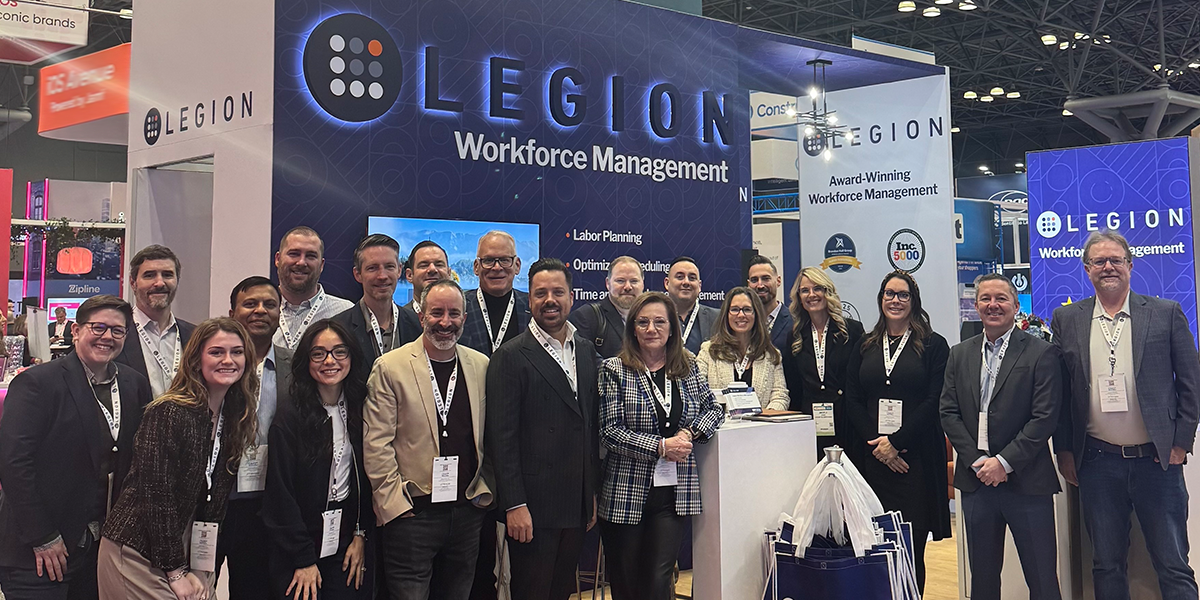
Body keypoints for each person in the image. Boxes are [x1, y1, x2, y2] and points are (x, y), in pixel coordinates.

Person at [1052, 230, 1200, 600]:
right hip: (1098, 462)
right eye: (1099, 261)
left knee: (1173, 564)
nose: (1108, 267)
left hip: (1157, 462)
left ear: (1130, 266)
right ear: (1087, 269)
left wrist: (1180, 443)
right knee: (1106, 563)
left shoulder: (1165, 313)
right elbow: (1061, 393)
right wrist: (1064, 450)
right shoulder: (1067, 318)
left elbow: (1191, 382)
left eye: (1116, 260)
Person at [0, 295, 153, 600]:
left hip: (99, 550)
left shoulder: (134, 385)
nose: (107, 336)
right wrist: (42, 536)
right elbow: (13, 463)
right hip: (38, 550)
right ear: (76, 330)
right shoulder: (38, 383)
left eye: (117, 330)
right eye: (98, 327)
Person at [97, 318, 259, 600]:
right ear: (196, 360)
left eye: (237, 352)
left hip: (186, 546)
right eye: (216, 352)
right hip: (139, 547)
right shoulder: (169, 412)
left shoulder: (234, 417)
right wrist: (175, 572)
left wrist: (201, 566)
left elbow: (216, 503)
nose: (228, 360)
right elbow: (155, 495)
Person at [364, 279, 492, 600]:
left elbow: (492, 436)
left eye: (453, 313)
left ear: (464, 318)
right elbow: (376, 444)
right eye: (437, 312)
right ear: (421, 315)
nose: (445, 322)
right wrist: (394, 507)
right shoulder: (390, 367)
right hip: (413, 515)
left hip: (466, 513)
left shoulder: (481, 366)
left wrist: (482, 494)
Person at [940, 273, 1063, 600]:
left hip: (1027, 482)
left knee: (1042, 580)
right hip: (977, 482)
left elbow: (1044, 417)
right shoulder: (959, 354)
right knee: (982, 583)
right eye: (985, 298)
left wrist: (1004, 462)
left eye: (1001, 298)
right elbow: (948, 412)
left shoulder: (1041, 353)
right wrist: (978, 461)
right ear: (976, 305)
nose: (993, 305)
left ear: (1016, 305)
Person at [597, 292, 724, 600]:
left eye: (659, 322)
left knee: (658, 581)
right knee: (628, 585)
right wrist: (661, 446)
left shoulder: (687, 366)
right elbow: (610, 432)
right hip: (625, 493)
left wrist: (690, 433)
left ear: (671, 328)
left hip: (672, 496)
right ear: (633, 329)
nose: (651, 329)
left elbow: (713, 409)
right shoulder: (614, 369)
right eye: (643, 322)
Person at [485, 258, 599, 600]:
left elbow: (589, 427)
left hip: (575, 504)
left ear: (571, 297)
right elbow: (501, 439)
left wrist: (590, 495)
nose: (550, 300)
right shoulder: (510, 356)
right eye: (540, 293)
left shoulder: (585, 350)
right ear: (529, 299)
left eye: (558, 292)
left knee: (562, 592)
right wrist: (514, 504)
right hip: (532, 508)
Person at [843, 270, 950, 592]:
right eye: (889, 294)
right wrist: (879, 447)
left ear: (914, 301)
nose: (895, 300)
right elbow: (853, 398)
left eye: (903, 295)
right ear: (881, 299)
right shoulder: (865, 345)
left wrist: (897, 443)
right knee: (873, 547)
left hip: (914, 461)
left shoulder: (933, 345)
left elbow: (934, 400)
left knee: (910, 548)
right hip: (872, 462)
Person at [263, 319, 374, 600]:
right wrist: (303, 558)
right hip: (297, 542)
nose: (330, 361)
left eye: (339, 352)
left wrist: (360, 534)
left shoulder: (362, 408)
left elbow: (367, 477)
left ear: (351, 356)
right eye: (318, 353)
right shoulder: (289, 416)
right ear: (306, 360)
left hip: (346, 538)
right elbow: (280, 495)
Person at [218, 276, 295, 600]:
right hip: (219, 499)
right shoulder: (214, 362)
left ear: (280, 313)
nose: (260, 311)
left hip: (271, 501)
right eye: (250, 304)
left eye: (269, 305)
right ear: (233, 313)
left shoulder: (296, 365)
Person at [782, 267, 866, 456]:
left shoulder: (851, 331)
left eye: (817, 288)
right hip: (809, 425)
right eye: (805, 290)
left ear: (827, 292)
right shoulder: (795, 336)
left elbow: (860, 384)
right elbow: (794, 386)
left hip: (847, 423)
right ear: (799, 297)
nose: (811, 295)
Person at [115, 245, 197, 398]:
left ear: (177, 281)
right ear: (133, 283)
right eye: (149, 275)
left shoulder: (195, 335)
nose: (159, 283)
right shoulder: (115, 335)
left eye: (167, 275)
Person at [695, 287, 788, 411]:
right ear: (726, 314)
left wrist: (766, 416)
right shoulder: (709, 351)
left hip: (761, 422)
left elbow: (780, 395)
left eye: (747, 310)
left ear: (756, 314)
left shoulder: (771, 355)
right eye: (734, 309)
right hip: (720, 422)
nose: (741, 315)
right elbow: (696, 392)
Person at [333, 234, 417, 369]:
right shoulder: (338, 328)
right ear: (357, 274)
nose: (382, 276)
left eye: (389, 267)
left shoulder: (417, 325)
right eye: (372, 268)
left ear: (399, 270)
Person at [273, 227, 355, 352]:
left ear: (321, 265)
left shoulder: (346, 312)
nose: (301, 262)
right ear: (278, 259)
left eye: (311, 256)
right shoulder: (258, 312)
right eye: (294, 254)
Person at [461, 231, 530, 357]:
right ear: (476, 267)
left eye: (504, 260)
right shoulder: (458, 308)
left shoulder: (533, 308)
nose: (497, 267)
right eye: (488, 260)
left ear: (517, 266)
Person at [568, 256, 644, 360]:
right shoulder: (586, 317)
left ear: (642, 284)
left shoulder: (651, 320)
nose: (628, 287)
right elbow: (585, 362)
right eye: (620, 281)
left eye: (634, 281)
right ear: (608, 284)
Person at [397, 241, 453, 344]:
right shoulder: (397, 321)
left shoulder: (461, 319)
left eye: (439, 264)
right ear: (409, 275)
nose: (432, 269)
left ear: (449, 273)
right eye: (424, 265)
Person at [663, 257, 718, 355]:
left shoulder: (718, 318)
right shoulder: (655, 317)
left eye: (692, 278)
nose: (686, 282)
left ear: (699, 286)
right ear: (667, 283)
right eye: (680, 277)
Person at [747, 255, 792, 353]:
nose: (760, 285)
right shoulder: (743, 321)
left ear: (778, 281)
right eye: (754, 280)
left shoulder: (794, 321)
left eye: (766, 278)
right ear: (748, 284)